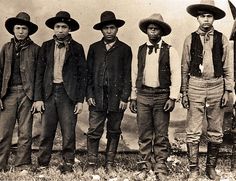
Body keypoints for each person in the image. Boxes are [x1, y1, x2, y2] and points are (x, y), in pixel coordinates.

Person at [181, 0, 234, 180]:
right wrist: (184, 91)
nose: (206, 19)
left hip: (216, 86)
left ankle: (211, 168)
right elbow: (184, 67)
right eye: (202, 16)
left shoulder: (222, 39)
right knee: (193, 129)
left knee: (215, 129)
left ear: (214, 18)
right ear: (197, 18)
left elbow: (228, 67)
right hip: (195, 85)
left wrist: (228, 91)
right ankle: (193, 169)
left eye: (209, 16)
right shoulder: (190, 39)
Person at [34, 11, 87, 173]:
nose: (61, 30)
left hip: (68, 94)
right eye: (57, 26)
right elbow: (39, 73)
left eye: (64, 27)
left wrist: (79, 100)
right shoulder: (46, 46)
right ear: (54, 29)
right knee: (46, 131)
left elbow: (83, 75)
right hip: (49, 94)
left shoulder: (77, 48)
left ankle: (68, 163)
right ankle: (43, 164)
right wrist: (38, 98)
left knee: (68, 131)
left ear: (69, 29)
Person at [129, 13, 181, 180]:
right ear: (146, 31)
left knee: (161, 133)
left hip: (161, 95)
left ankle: (160, 166)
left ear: (161, 32)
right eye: (150, 29)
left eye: (156, 29)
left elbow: (176, 74)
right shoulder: (141, 49)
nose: (153, 32)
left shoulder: (170, 50)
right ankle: (143, 166)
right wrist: (133, 96)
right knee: (144, 132)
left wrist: (172, 97)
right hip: (143, 94)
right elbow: (135, 73)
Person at [86, 11, 132, 173]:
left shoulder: (125, 49)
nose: (109, 31)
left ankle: (109, 163)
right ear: (101, 30)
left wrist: (125, 97)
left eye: (112, 28)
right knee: (94, 130)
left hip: (116, 98)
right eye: (106, 28)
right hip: (97, 97)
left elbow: (128, 76)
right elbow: (88, 74)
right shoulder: (94, 48)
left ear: (117, 29)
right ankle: (91, 164)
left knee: (114, 130)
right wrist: (89, 94)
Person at [0, 12, 39, 172]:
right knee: (4, 131)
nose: (21, 31)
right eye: (18, 28)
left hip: (27, 94)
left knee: (25, 132)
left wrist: (37, 98)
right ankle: (1, 163)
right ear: (13, 30)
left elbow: (39, 76)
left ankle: (22, 164)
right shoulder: (6, 48)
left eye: (24, 28)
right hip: (7, 94)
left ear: (28, 31)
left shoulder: (36, 49)